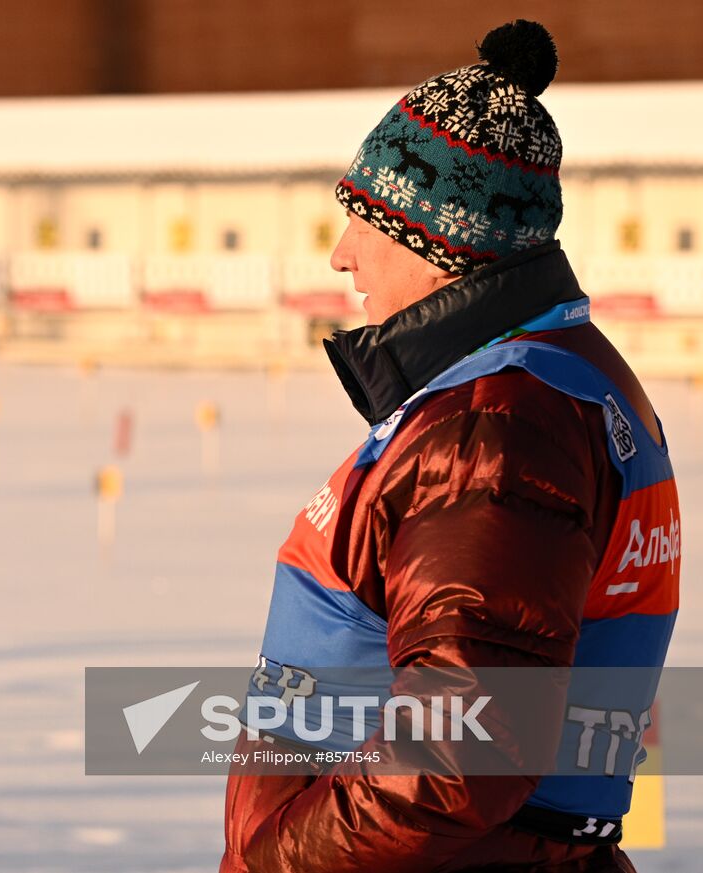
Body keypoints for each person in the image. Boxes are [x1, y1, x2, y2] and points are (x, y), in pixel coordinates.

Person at [222, 21, 678, 872]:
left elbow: (465, 746)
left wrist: (280, 858)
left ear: (445, 246)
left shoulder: (500, 426)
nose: (342, 254)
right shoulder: (553, 383)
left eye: (369, 224)